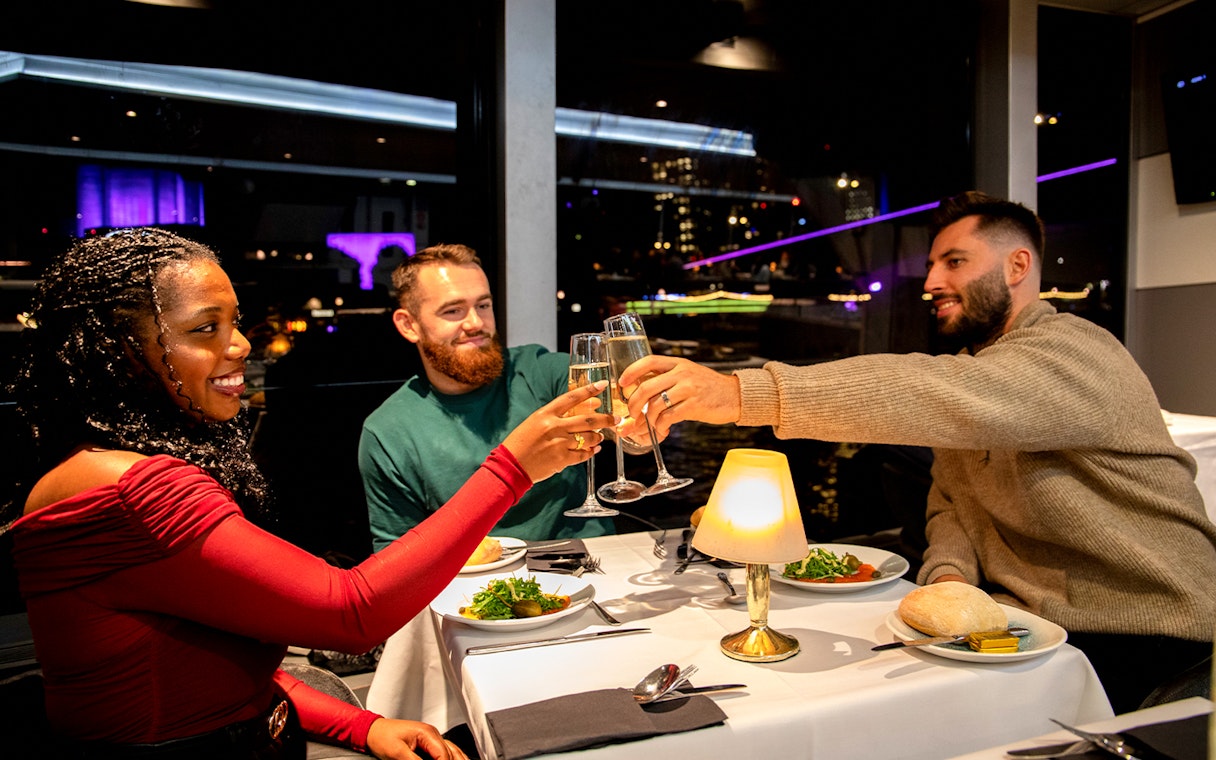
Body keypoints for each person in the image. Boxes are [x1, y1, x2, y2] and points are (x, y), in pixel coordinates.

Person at [3, 228, 611, 758]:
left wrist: (361, 725)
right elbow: (349, 613)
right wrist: (511, 469)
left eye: (234, 321)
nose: (241, 344)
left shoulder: (109, 467)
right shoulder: (136, 490)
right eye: (205, 328)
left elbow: (227, 662)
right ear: (123, 355)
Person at [618, 191, 1216, 714]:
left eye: (954, 262)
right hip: (1028, 633)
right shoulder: (978, 371)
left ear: (1017, 265)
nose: (930, 283)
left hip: (1151, 642)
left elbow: (936, 392)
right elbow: (952, 506)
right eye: (932, 264)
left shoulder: (1078, 352)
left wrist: (740, 392)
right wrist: (948, 587)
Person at [359, 243, 614, 550]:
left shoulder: (538, 371)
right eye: (453, 311)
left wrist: (640, 425)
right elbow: (395, 560)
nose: (476, 324)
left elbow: (621, 414)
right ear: (409, 325)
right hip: (473, 589)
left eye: (483, 305)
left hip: (592, 564)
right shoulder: (388, 432)